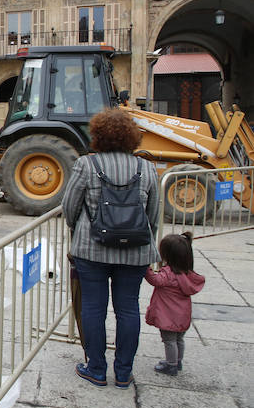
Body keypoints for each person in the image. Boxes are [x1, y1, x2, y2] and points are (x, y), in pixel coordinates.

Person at [62, 108, 160, 389]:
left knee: (94, 307)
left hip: (91, 249)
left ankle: (96, 368)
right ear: (132, 137)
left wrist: (77, 230)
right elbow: (153, 214)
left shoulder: (86, 165)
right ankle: (124, 372)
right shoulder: (147, 168)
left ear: (97, 135)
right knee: (128, 308)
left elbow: (69, 206)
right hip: (135, 251)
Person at [145, 232, 205, 376]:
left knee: (169, 340)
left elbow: (156, 281)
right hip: (183, 316)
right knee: (179, 339)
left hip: (168, 316)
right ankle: (177, 362)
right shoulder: (188, 274)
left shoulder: (168, 273)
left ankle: (171, 365)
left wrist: (146, 269)